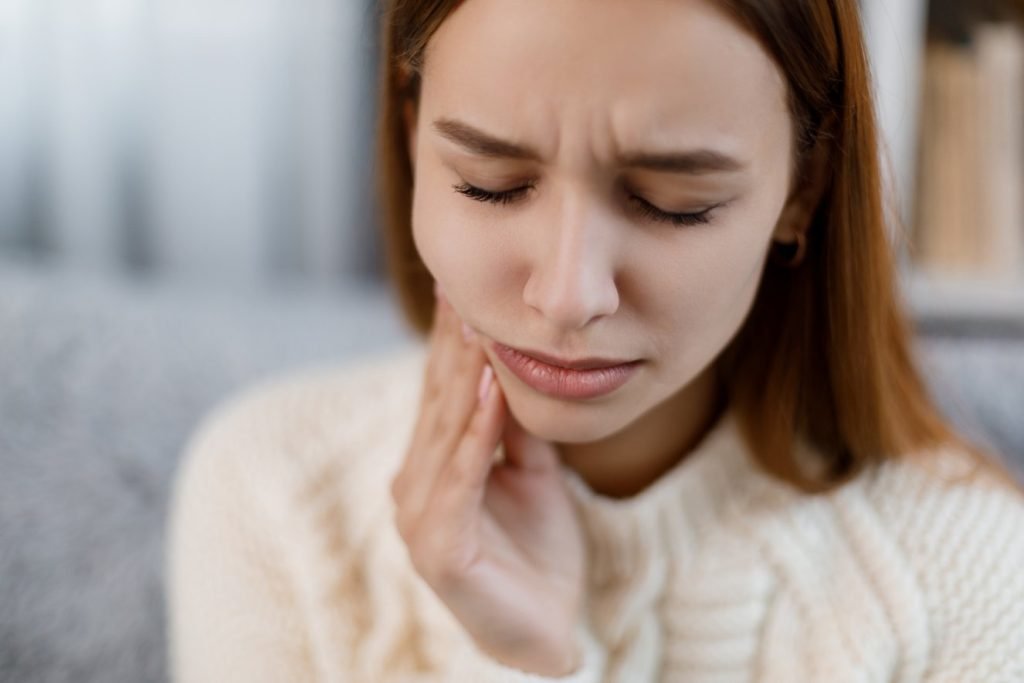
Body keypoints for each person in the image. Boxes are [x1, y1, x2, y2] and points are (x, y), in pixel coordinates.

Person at [165, 0, 1024, 680]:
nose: (568, 295)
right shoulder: (273, 485)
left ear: (803, 192)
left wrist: (536, 658)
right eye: (491, 184)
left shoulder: (969, 573)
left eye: (670, 201)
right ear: (409, 134)